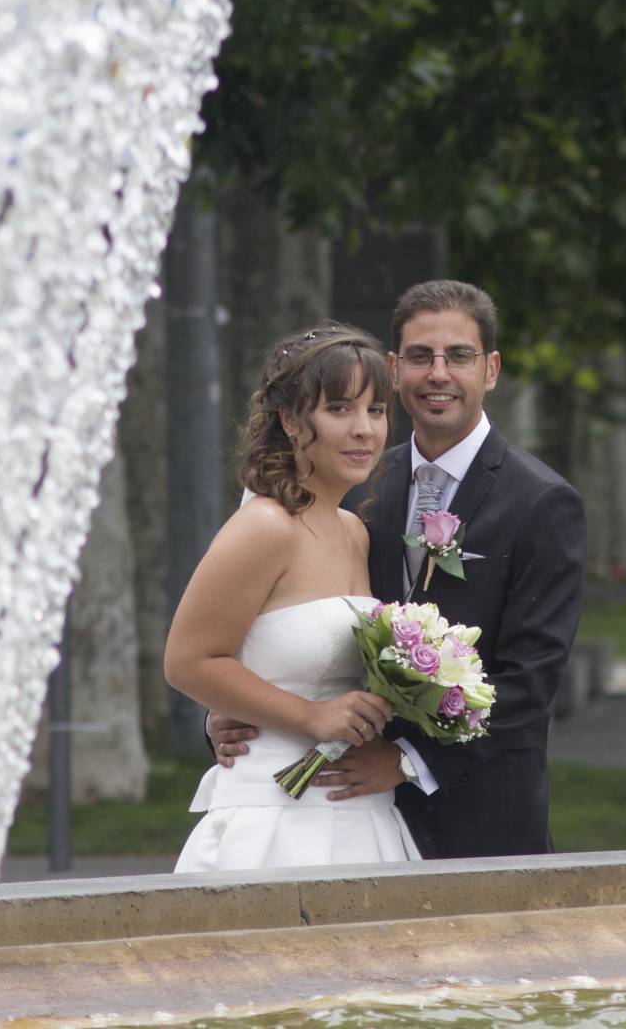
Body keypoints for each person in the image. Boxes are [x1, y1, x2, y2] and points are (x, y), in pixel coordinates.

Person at [210, 279, 587, 860]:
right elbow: (263, 620)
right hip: (343, 807)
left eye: (458, 355)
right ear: (394, 368)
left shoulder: (541, 501)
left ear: (491, 369)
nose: (438, 373)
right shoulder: (355, 487)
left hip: (479, 817)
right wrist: (232, 713)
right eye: (419, 357)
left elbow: (530, 681)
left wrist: (408, 761)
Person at [164, 323, 420, 872]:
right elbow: (188, 662)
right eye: (340, 409)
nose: (363, 431)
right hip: (277, 821)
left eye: (376, 411)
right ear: (289, 420)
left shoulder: (354, 530)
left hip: (366, 815)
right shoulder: (265, 526)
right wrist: (309, 716)